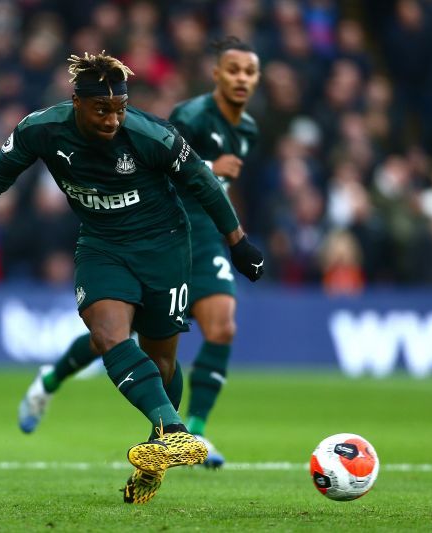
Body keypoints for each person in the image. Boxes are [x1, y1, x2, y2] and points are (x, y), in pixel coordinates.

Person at [0, 51, 264, 504]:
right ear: (76, 101)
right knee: (107, 334)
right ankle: (173, 431)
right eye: (102, 109)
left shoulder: (151, 134)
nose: (112, 119)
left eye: (119, 108)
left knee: (162, 365)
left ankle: (158, 455)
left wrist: (238, 243)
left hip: (165, 248)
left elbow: (202, 181)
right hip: (102, 246)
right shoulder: (42, 129)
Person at [17, 37, 260, 469]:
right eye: (234, 69)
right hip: (153, 232)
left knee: (216, 329)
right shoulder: (190, 116)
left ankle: (191, 433)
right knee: (110, 337)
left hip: (190, 238)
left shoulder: (248, 131)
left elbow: (210, 187)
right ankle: (50, 381)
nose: (242, 79)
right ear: (217, 74)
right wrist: (209, 168)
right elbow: (181, 170)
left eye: (250, 71)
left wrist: (233, 234)